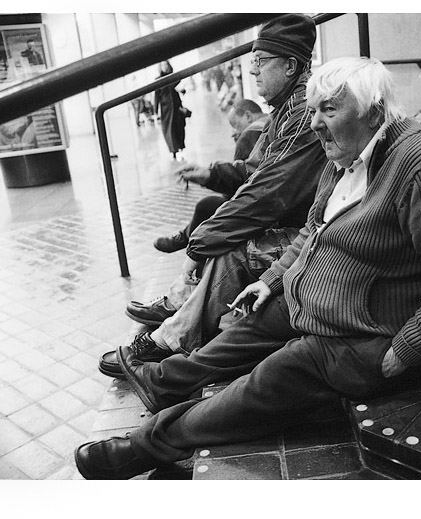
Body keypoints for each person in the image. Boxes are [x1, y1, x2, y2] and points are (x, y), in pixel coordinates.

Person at [75, 56, 421, 479]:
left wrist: (403, 352)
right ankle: (163, 380)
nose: (314, 123)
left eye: (329, 110)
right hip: (320, 302)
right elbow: (314, 229)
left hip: (368, 332)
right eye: (312, 110)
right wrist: (272, 281)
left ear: (376, 112)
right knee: (246, 325)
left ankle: (145, 446)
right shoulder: (348, 154)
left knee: (271, 379)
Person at [96, 14, 327, 376]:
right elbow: (255, 173)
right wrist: (212, 173)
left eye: (260, 62)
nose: (253, 72)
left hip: (315, 233)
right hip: (300, 221)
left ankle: (172, 337)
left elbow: (266, 195)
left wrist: (199, 244)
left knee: (232, 250)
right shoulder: (287, 110)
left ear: (290, 65)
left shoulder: (302, 115)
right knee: (218, 223)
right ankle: (179, 308)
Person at [153, 99, 269, 254]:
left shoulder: (250, 135)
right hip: (264, 202)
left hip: (258, 210)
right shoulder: (271, 121)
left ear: (248, 116)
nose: (233, 132)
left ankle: (187, 241)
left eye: (235, 126)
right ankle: (186, 238)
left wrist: (211, 175)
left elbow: (239, 184)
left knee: (207, 205)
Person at [155, 60, 190, 159]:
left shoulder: (175, 77)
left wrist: (182, 90)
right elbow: (156, 96)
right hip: (166, 110)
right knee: (169, 130)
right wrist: (155, 111)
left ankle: (181, 148)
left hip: (176, 107)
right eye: (162, 65)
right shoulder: (158, 80)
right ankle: (174, 151)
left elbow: (181, 89)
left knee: (179, 127)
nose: (165, 67)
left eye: (166, 64)